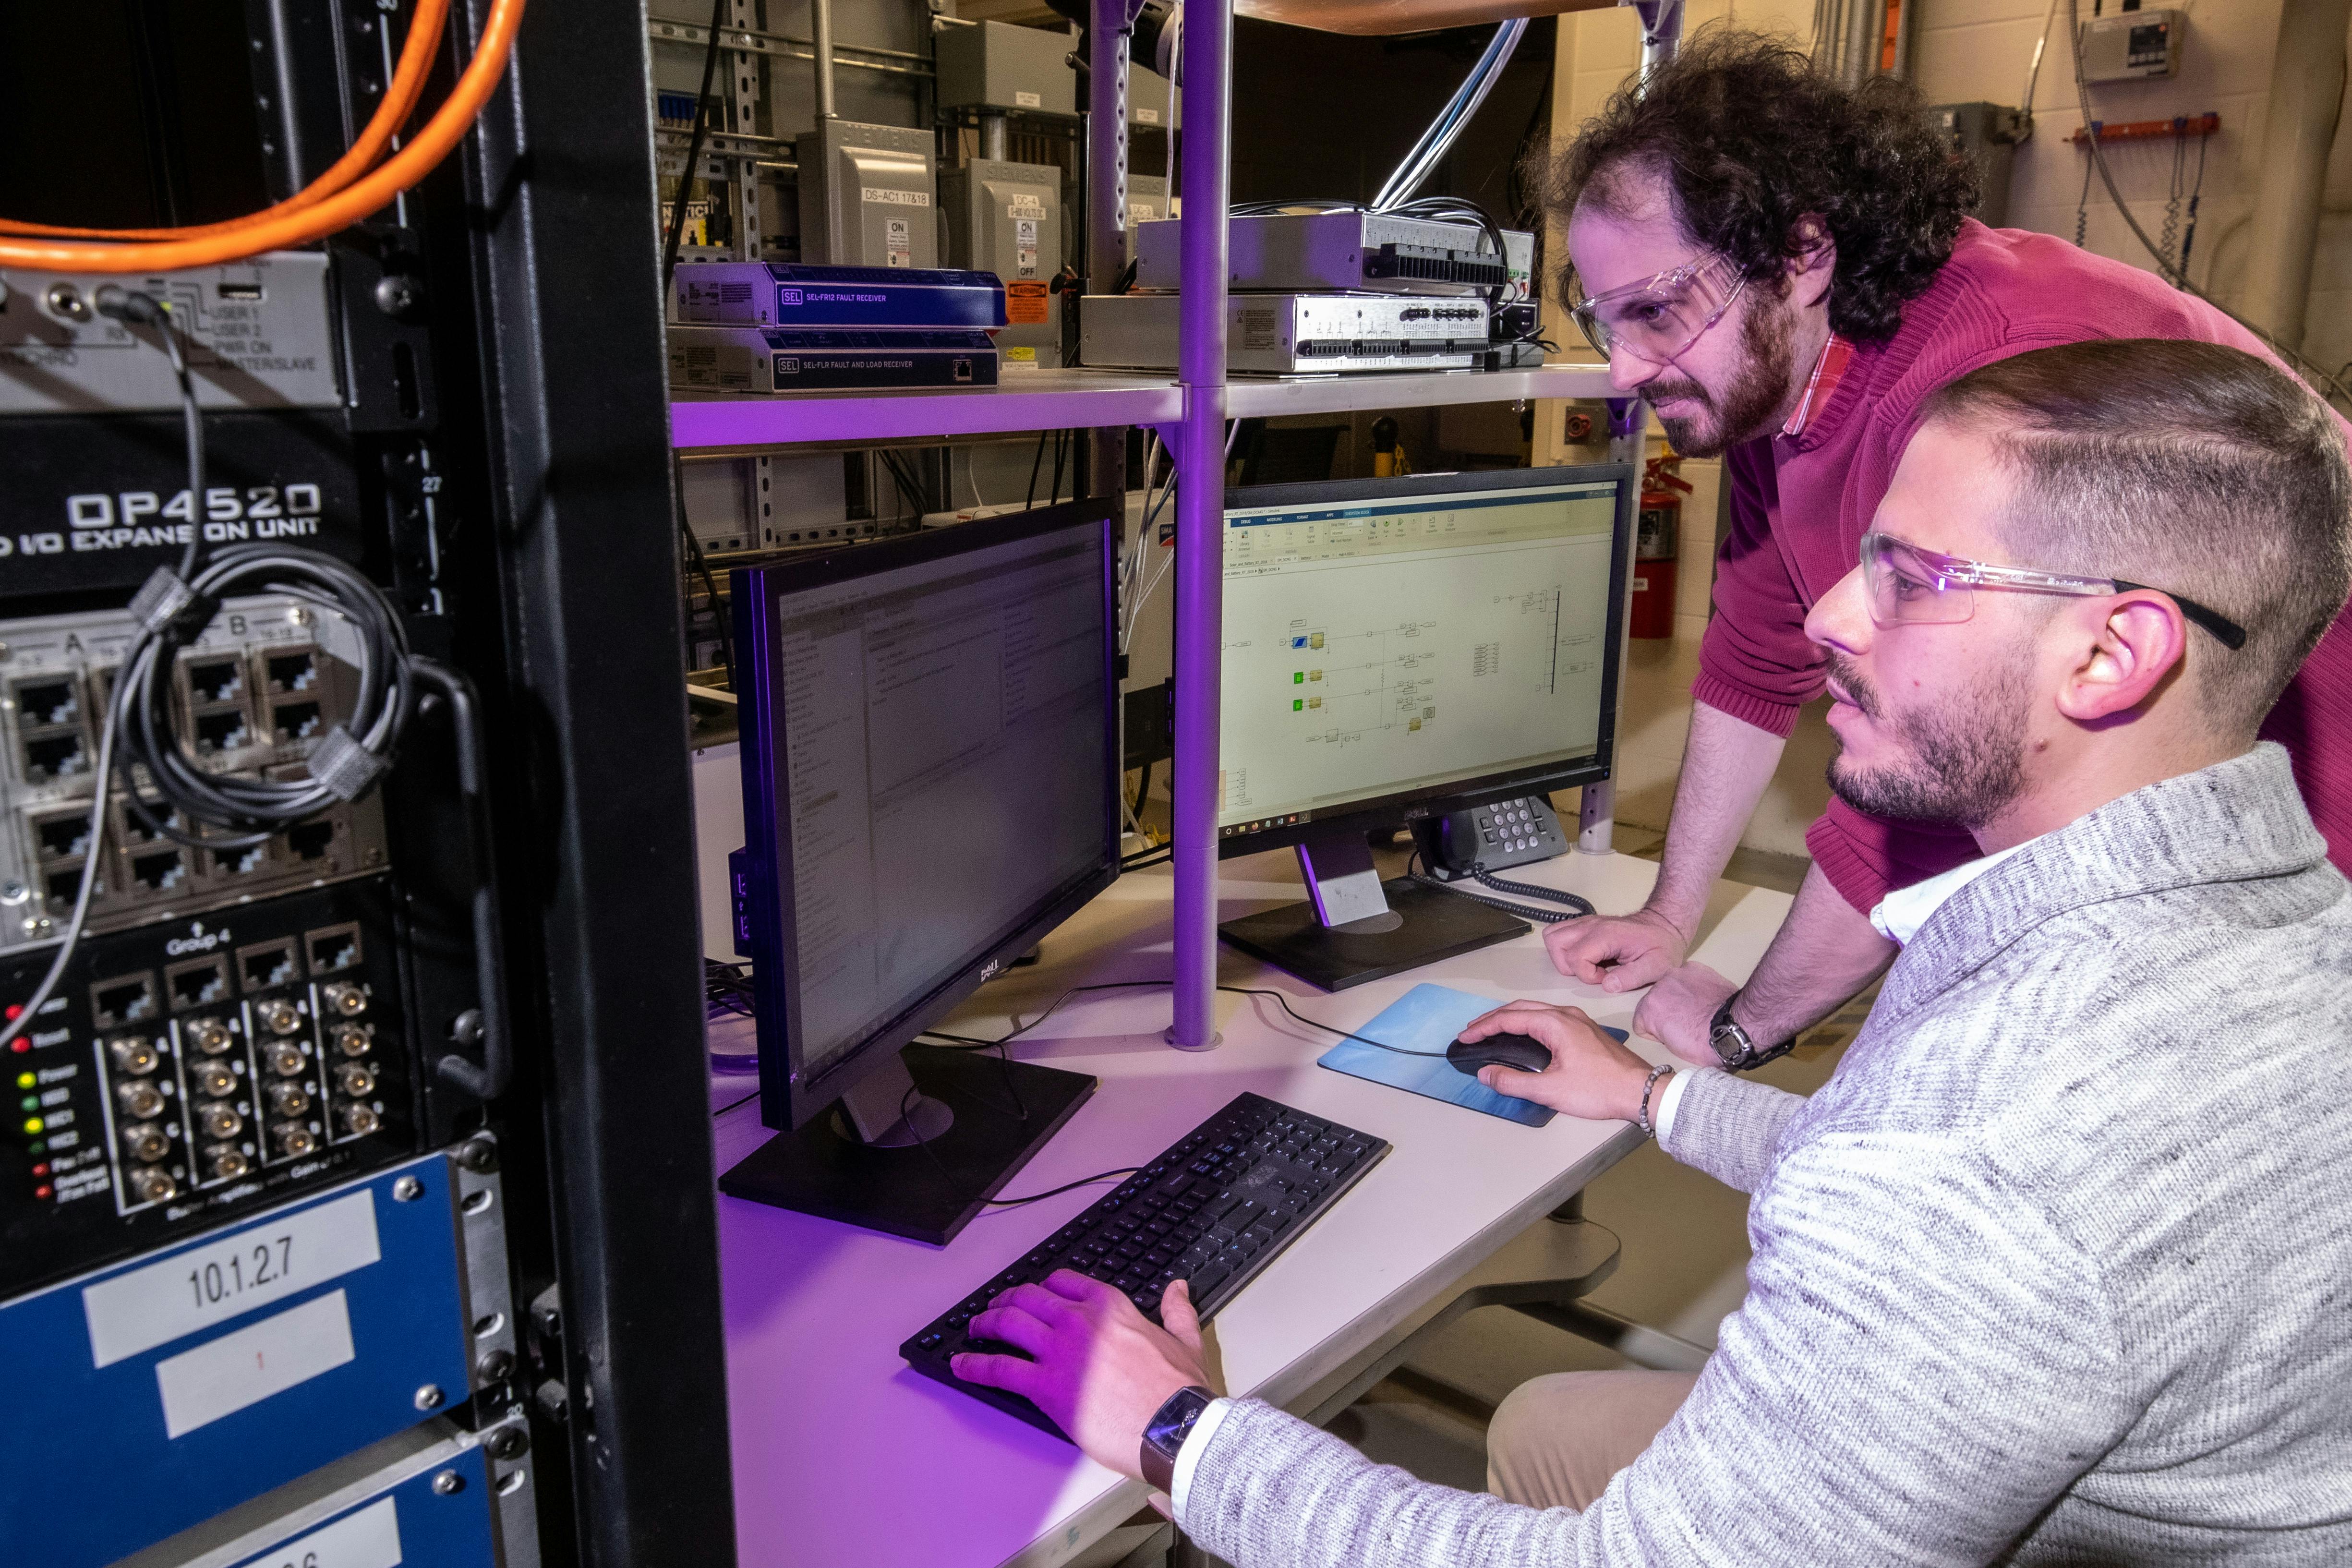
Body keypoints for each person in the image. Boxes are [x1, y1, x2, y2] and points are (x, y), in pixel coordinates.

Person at [950, 339, 2352, 1564]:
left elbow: (1959, 1193)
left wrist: (1179, 1431)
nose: (1827, 620)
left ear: (2112, 656)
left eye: (1911, 577)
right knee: (1551, 1422)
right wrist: (1650, 1095)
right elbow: (1970, 1185)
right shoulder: (2270, 918)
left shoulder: (1977, 1157)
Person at [1538, 31, 2352, 1068]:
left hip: (2306, 850)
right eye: (1602, 319)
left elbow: (1960, 759)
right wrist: (1666, 916)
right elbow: (1750, 658)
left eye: (1655, 312)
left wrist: (1744, 1024)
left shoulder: (2004, 385)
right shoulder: (1773, 374)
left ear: (1800, 254)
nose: (1620, 370)